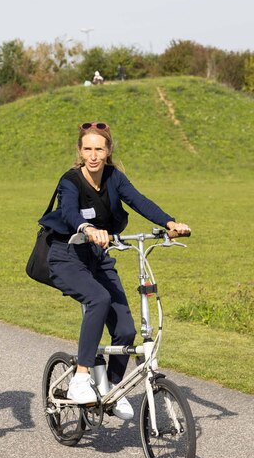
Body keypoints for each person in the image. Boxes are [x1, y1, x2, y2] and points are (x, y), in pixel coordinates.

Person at [39, 122, 191, 420]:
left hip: (98, 256)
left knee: (125, 330)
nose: (93, 155)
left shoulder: (113, 177)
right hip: (66, 255)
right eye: (87, 149)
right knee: (98, 299)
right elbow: (69, 211)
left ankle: (111, 389)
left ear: (108, 151)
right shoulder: (70, 180)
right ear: (79, 152)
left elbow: (138, 200)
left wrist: (169, 223)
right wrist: (88, 228)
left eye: (99, 148)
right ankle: (81, 378)